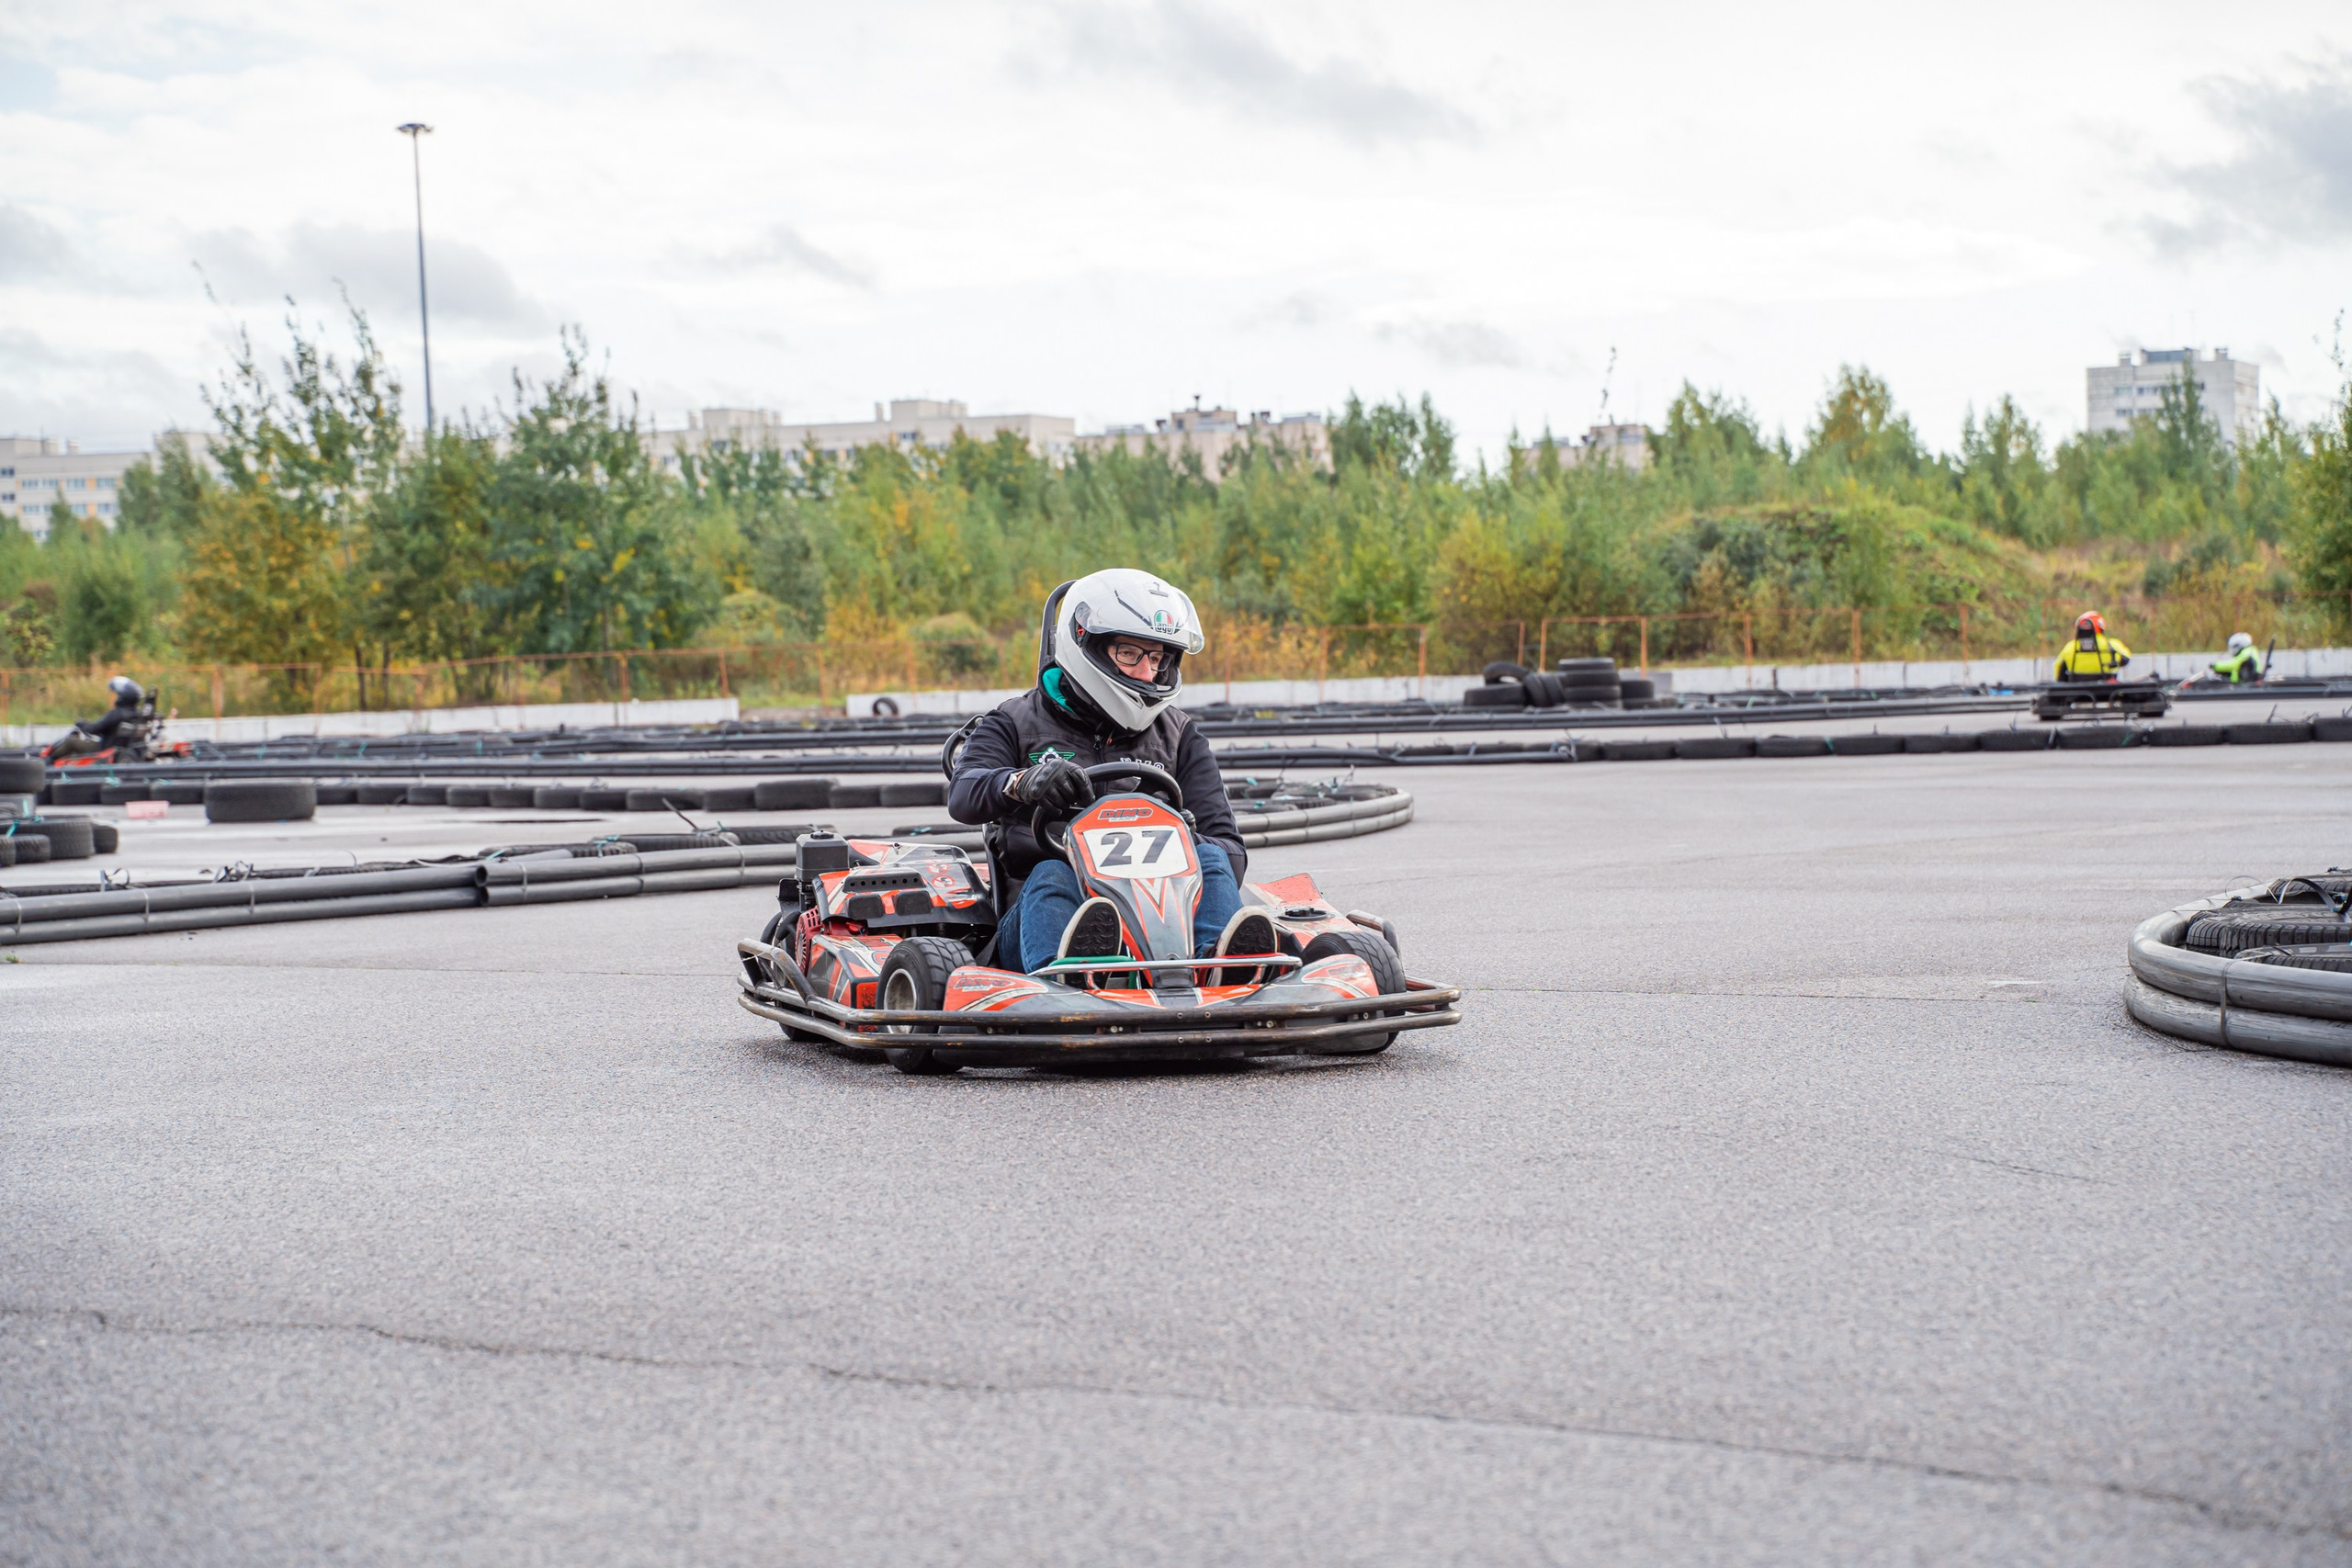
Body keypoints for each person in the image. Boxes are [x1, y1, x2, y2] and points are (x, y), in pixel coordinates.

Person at [946, 570, 1275, 972]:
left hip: (1168, 924)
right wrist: (1020, 783)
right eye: (1130, 654)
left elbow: (1231, 852)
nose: (1145, 673)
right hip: (1040, 917)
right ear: (1085, 641)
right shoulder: (1013, 722)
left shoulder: (1180, 735)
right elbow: (963, 795)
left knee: (1208, 855)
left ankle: (1217, 965)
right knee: (1053, 870)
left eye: (1157, 659)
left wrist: (1181, 840)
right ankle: (1070, 975)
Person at [46, 676, 150, 761]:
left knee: (71, 741)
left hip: (105, 749)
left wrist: (81, 723)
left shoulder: (117, 714)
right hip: (119, 748)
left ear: (122, 697)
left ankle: (47, 762)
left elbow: (94, 729)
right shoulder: (136, 714)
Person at [2052, 612, 2131, 682]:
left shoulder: (2070, 647)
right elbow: (2126, 659)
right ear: (2101, 627)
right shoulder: (2113, 645)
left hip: (2077, 694)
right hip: (2107, 693)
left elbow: (2059, 671)